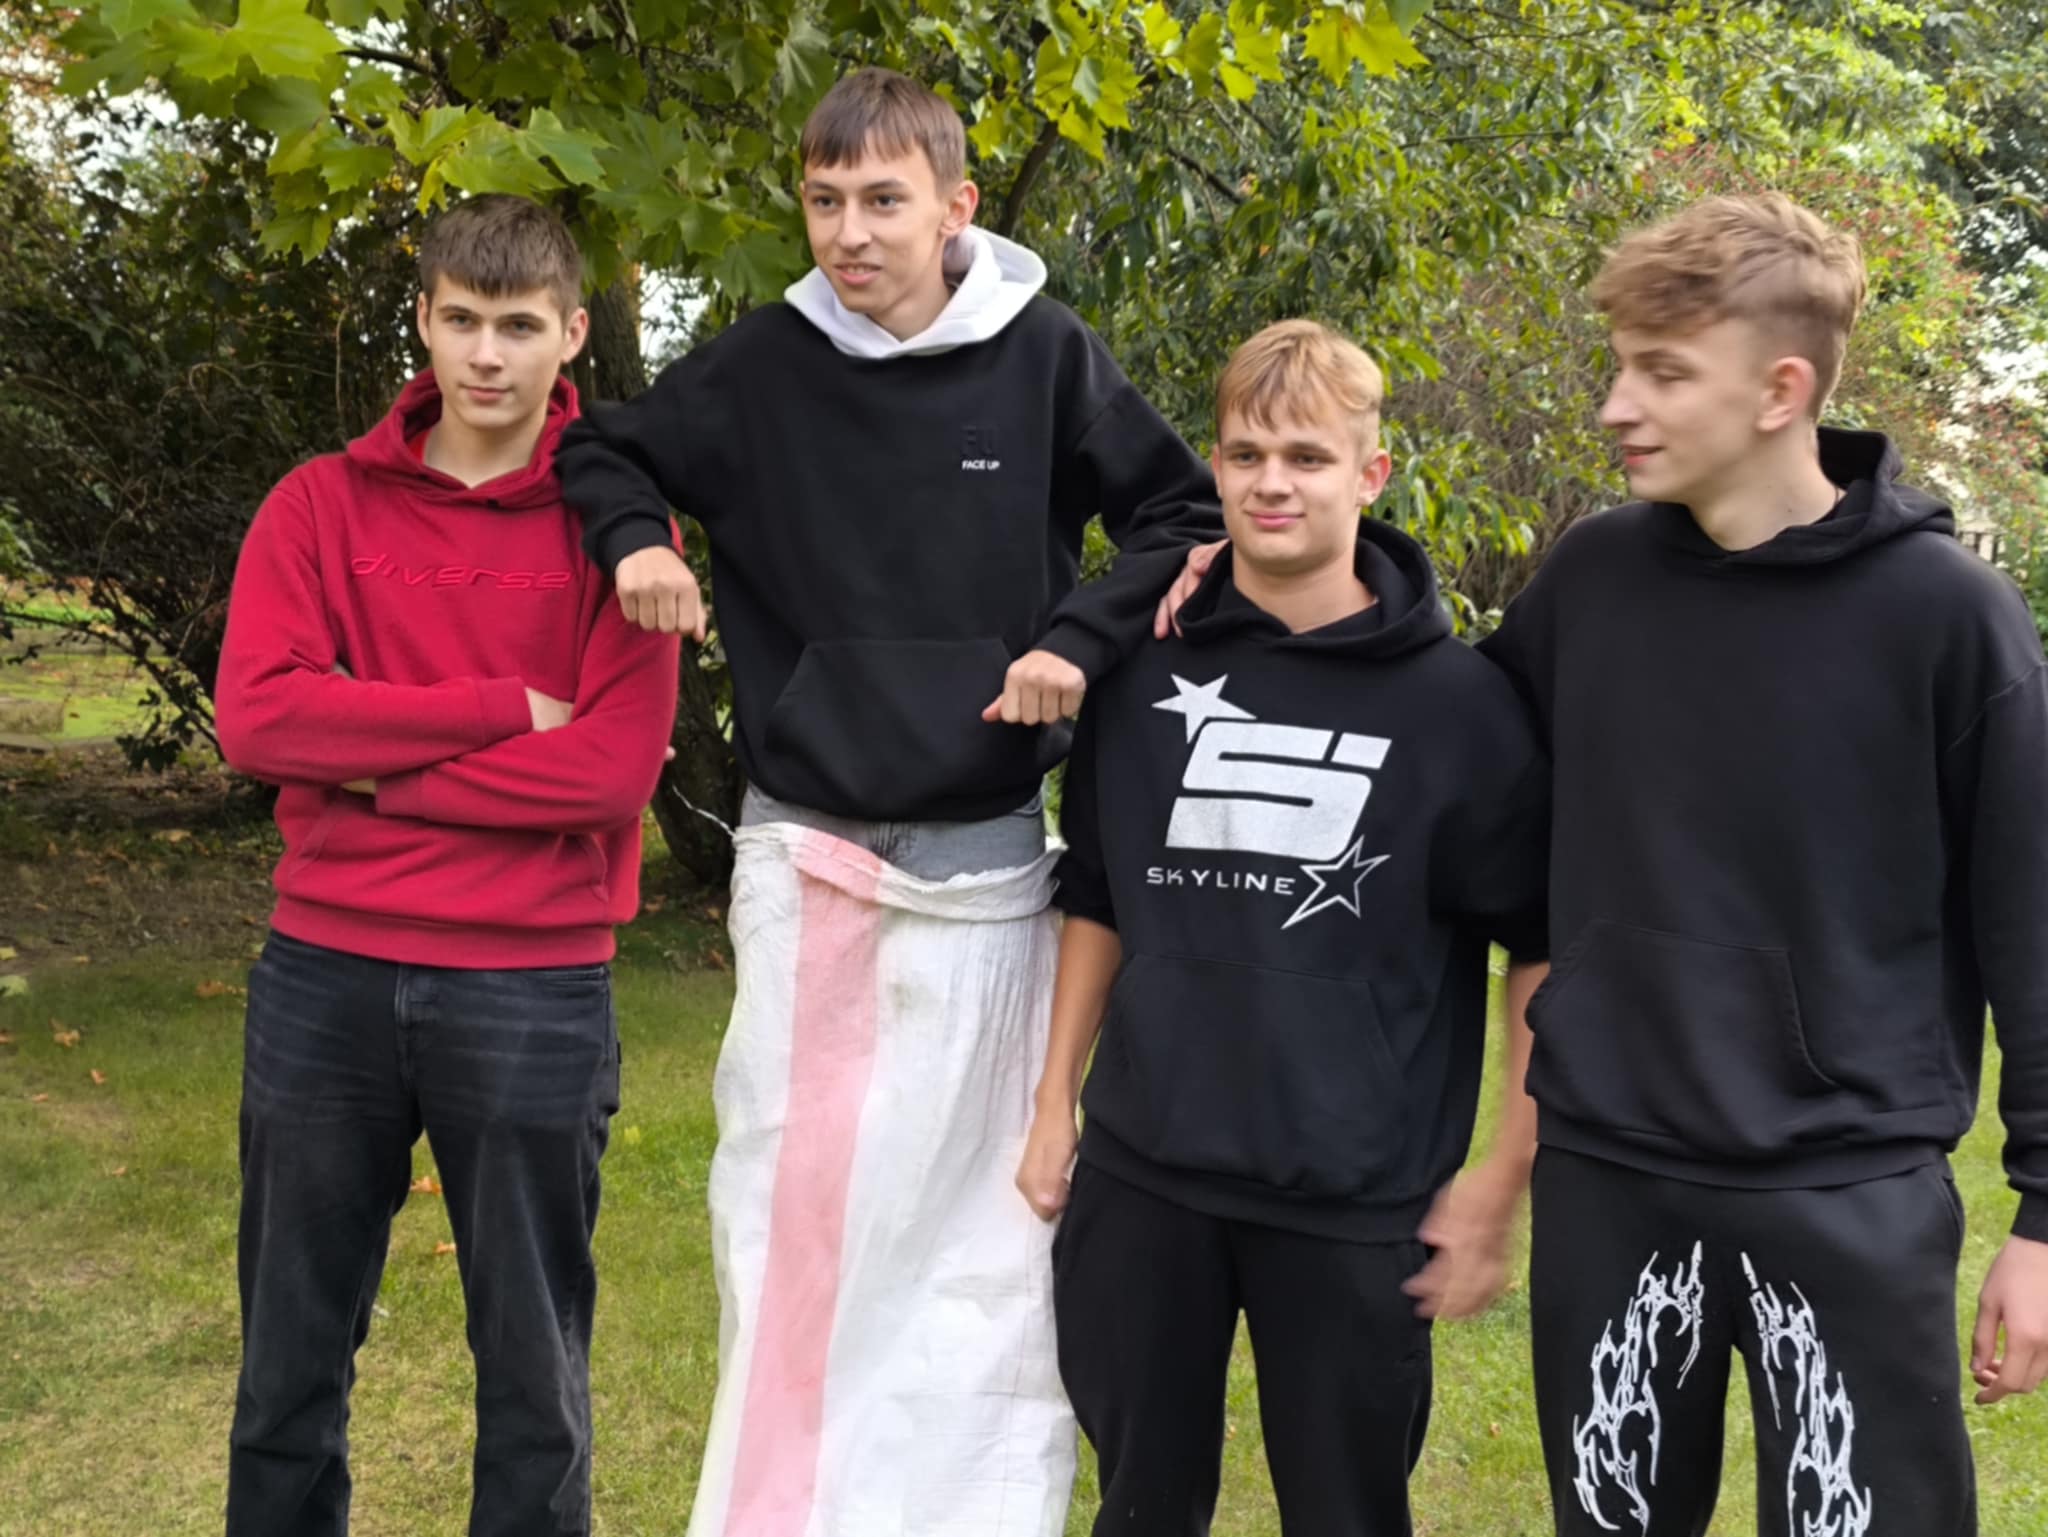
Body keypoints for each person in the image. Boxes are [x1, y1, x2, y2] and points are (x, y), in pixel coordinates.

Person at [555, 66, 1221, 1537]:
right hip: (811, 841)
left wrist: (1075, 641)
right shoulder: (766, 363)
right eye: (823, 200)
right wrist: (636, 544)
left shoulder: (1043, 354)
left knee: (982, 1227)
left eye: (882, 200)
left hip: (985, 844)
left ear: (954, 207)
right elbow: (602, 445)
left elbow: (1177, 511)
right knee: (793, 1211)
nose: (849, 232)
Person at [1477, 192, 2048, 1534]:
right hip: (1611, 1173)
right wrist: (1266, 598)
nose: (1617, 405)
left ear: (1781, 389)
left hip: (1846, 1185)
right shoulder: (1591, 581)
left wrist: (2042, 1221)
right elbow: (1453, 763)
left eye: (1662, 372)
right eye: (1619, 366)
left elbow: (2033, 927)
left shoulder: (1948, 617)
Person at [1018, 319, 1549, 1536]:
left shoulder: (1463, 709)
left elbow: (1536, 946)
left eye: (1307, 457)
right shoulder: (1142, 677)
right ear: (1212, 468)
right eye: (1245, 454)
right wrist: (1054, 1103)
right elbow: (1097, 897)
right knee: (1138, 1506)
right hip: (1145, 1175)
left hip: (1356, 1200)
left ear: (1369, 473)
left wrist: (1499, 1176)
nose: (1272, 483)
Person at [214, 193, 679, 1537]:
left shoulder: (621, 532)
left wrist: (366, 765)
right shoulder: (318, 504)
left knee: (534, 1376)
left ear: (571, 334)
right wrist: (500, 710)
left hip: (534, 987)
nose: (486, 354)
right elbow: (260, 721)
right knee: (288, 1363)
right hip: (326, 973)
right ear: (421, 320)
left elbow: (606, 775)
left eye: (519, 325)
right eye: (462, 320)